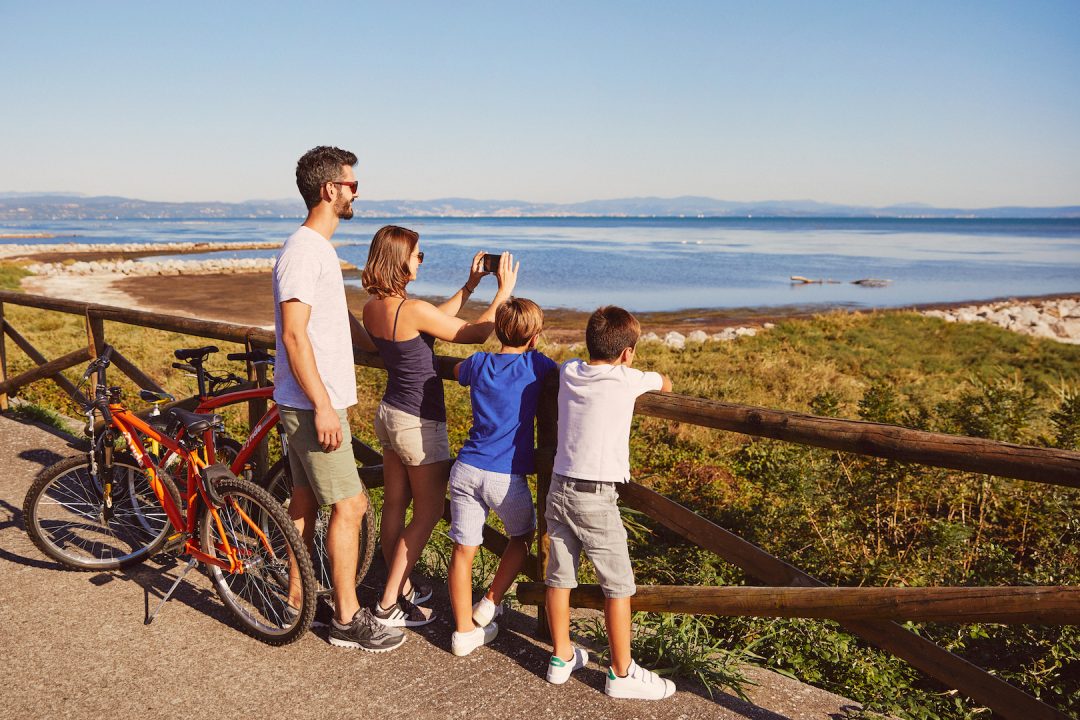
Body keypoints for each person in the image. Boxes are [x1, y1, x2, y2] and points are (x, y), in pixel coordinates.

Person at [275, 145, 404, 653]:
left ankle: (294, 598)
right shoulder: (304, 252)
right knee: (351, 506)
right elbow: (293, 335)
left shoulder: (318, 251)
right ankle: (346, 620)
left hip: (308, 403)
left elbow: (335, 321)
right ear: (330, 190)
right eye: (352, 184)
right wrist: (325, 406)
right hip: (312, 407)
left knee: (305, 503)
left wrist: (380, 342)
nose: (357, 192)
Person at [360, 226, 518, 627]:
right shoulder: (410, 309)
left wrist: (469, 287)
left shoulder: (375, 307)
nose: (420, 260)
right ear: (399, 260)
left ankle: (402, 584)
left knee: (395, 505)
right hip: (418, 422)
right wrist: (502, 293)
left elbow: (434, 320)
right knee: (428, 512)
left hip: (391, 414)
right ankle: (388, 602)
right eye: (417, 255)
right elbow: (473, 334)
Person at [544, 306, 676, 700]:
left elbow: (570, 363)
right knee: (618, 586)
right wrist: (636, 370)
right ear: (626, 353)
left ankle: (561, 656)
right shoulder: (627, 378)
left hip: (559, 486)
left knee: (559, 575)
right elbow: (665, 383)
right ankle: (621, 673)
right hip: (596, 497)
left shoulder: (569, 371)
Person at [447, 297, 557, 656]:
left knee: (463, 550)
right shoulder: (536, 366)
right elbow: (565, 375)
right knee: (522, 536)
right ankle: (490, 601)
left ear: (497, 329)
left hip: (465, 470)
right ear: (535, 336)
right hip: (504, 476)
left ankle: (464, 632)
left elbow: (457, 371)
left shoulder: (479, 363)